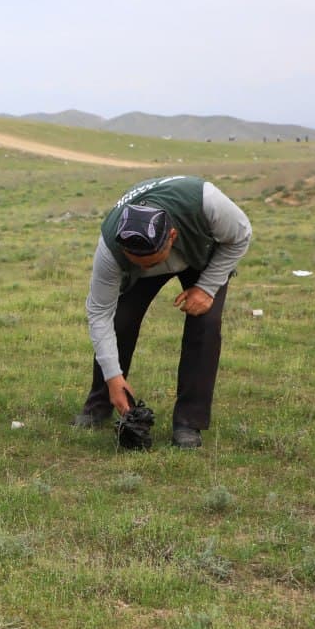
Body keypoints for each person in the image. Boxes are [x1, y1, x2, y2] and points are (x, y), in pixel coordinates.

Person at [71, 175, 251, 449]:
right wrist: (113, 376)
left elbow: (241, 237)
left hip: (199, 253)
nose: (149, 266)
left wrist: (207, 288)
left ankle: (189, 422)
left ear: (171, 236)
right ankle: (100, 404)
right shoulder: (111, 250)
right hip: (143, 260)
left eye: (153, 262)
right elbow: (99, 313)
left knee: (206, 323)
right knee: (121, 321)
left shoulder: (208, 204)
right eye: (138, 261)